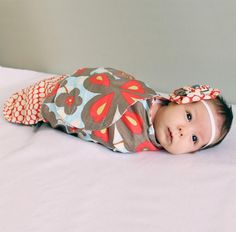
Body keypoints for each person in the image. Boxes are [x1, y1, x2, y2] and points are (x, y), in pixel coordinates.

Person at [3, 67, 233, 154]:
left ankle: (51, 102)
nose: (183, 131)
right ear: (178, 98)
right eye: (189, 116)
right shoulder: (151, 99)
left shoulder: (143, 141)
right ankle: (54, 93)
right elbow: (119, 87)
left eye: (194, 138)